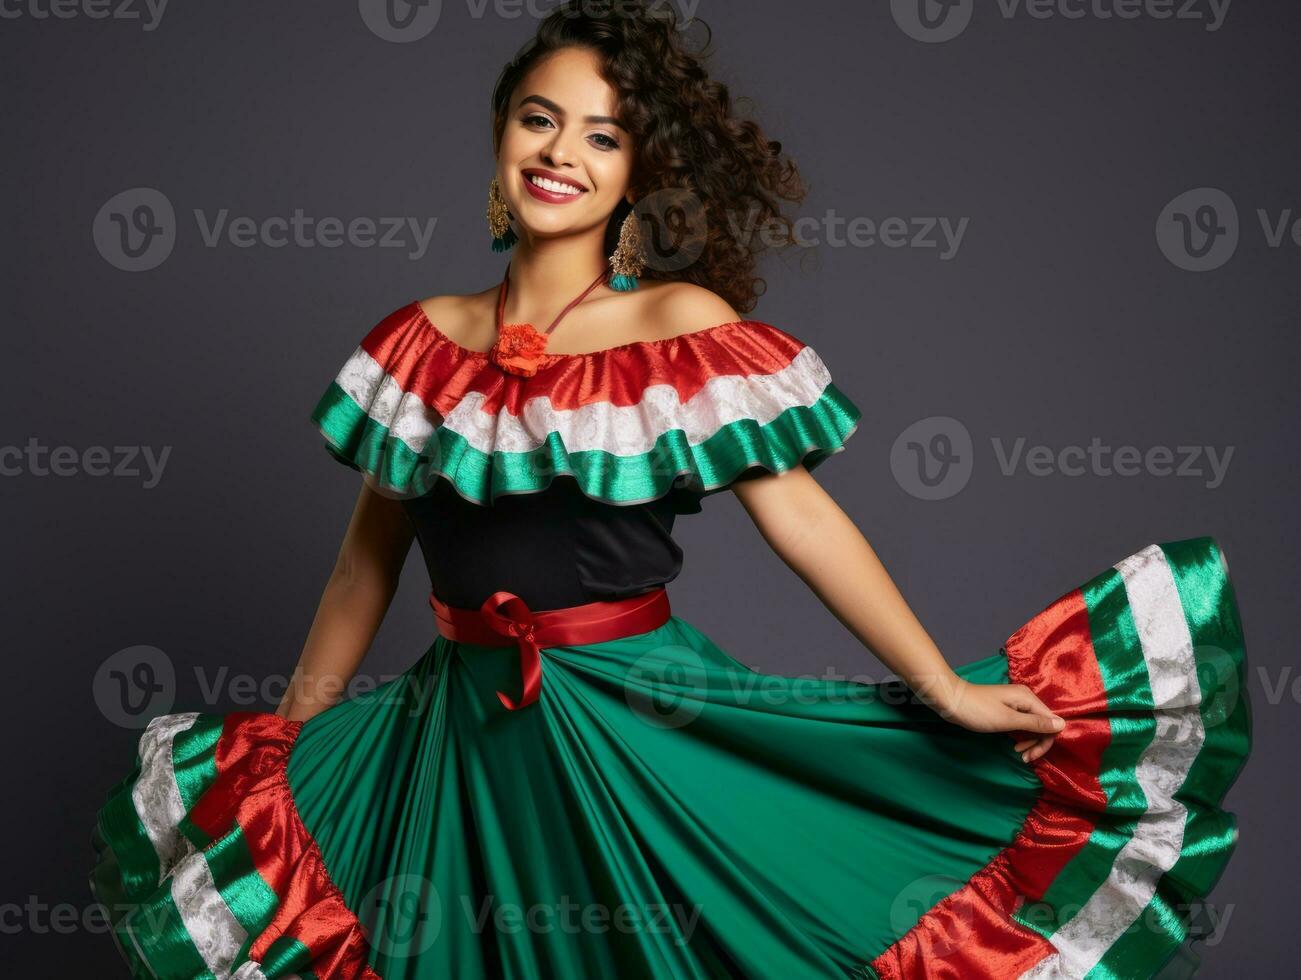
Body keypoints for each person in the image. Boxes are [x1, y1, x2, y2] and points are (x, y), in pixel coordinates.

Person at [89, 4, 1251, 978]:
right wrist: (285, 749)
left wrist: (940, 683)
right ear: (500, 135)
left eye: (602, 137)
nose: (561, 153)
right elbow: (364, 566)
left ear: (638, 171)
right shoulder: (420, 341)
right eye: (539, 119)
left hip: (641, 717)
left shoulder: (677, 326)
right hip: (451, 735)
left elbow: (799, 516)